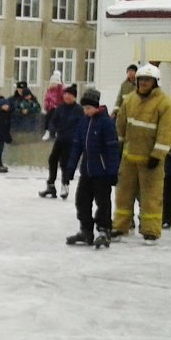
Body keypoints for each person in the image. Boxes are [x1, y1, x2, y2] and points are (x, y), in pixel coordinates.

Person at [112, 64, 171, 244]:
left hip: (151, 160)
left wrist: (158, 154)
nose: (143, 83)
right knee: (123, 194)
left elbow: (168, 130)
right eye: (141, 80)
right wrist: (119, 145)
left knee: (151, 197)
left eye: (147, 80)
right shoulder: (130, 100)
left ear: (155, 82)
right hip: (129, 157)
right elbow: (121, 124)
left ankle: (151, 231)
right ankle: (120, 226)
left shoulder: (164, 103)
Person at [64, 88, 121, 248]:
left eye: (89, 108)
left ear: (96, 107)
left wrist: (112, 171)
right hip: (87, 171)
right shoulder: (83, 122)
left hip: (102, 172)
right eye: (84, 108)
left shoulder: (106, 123)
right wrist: (70, 169)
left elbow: (112, 148)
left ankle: (104, 230)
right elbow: (76, 147)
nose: (86, 111)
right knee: (81, 201)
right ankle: (86, 230)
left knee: (102, 202)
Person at [39, 85, 83, 200]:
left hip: (71, 141)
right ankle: (51, 185)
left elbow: (82, 125)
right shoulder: (60, 108)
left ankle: (65, 184)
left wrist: (78, 137)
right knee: (52, 159)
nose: (67, 96)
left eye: (70, 95)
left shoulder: (78, 110)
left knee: (65, 163)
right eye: (66, 94)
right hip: (60, 138)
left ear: (74, 97)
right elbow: (54, 121)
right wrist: (52, 130)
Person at [0, 96, 13, 173]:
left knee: (0, 149)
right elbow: (1, 126)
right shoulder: (0, 114)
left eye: (7, 105)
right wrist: (6, 136)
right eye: (4, 105)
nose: (6, 106)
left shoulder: (7, 114)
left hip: (2, 134)